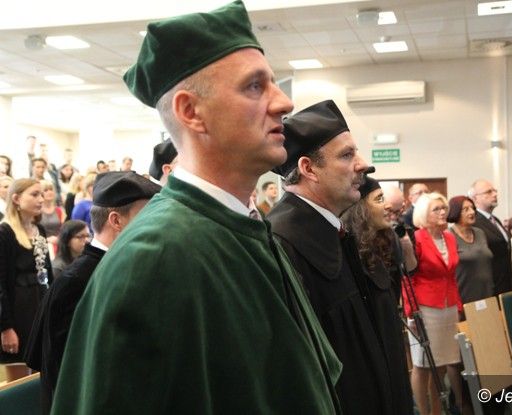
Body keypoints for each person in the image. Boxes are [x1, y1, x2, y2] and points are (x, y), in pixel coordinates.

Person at [52, 3, 340, 414]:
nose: (284, 102)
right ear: (191, 112)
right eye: (254, 86)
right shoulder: (153, 257)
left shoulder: (245, 228)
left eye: (273, 83)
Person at [268, 100, 399, 415]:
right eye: (347, 155)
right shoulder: (283, 242)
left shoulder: (334, 230)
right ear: (308, 169)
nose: (363, 164)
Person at [26, 172, 160, 414]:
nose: (156, 225)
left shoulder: (111, 266)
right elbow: (67, 370)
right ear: (116, 220)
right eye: (148, 216)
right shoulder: (76, 281)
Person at [341, 175, 414, 415]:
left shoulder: (388, 237)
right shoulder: (347, 246)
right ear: (361, 207)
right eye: (379, 199)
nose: (386, 206)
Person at [402, 192, 463, 415]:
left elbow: (452, 276)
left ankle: (438, 411)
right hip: (424, 308)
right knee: (422, 365)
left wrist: (458, 306)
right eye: (436, 209)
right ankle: (423, 411)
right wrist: (411, 313)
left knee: (442, 364)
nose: (442, 212)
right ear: (423, 214)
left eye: (443, 208)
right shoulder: (416, 238)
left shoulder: (450, 237)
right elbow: (408, 278)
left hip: (448, 307)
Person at [0, 178, 53, 381]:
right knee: (18, 376)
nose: (41, 199)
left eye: (42, 194)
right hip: (18, 312)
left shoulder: (39, 230)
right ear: (16, 199)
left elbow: (48, 273)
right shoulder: (5, 232)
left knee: (42, 372)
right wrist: (6, 327)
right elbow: (1, 284)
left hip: (39, 306)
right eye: (34, 194)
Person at [469, 179, 512, 295]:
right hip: (490, 287)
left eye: (495, 191)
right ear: (475, 198)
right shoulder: (474, 222)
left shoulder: (495, 220)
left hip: (505, 284)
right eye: (488, 192)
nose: (495, 194)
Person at [447, 195, 494, 306]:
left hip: (487, 293)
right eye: (466, 209)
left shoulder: (480, 232)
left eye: (472, 208)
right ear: (456, 212)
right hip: (463, 295)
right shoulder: (449, 235)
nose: (472, 212)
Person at [39, 180, 65, 256]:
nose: (49, 192)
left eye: (51, 189)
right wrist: (46, 240)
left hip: (58, 245)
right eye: (46, 190)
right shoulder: (37, 211)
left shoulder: (59, 210)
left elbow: (64, 229)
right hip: (42, 246)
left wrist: (58, 239)